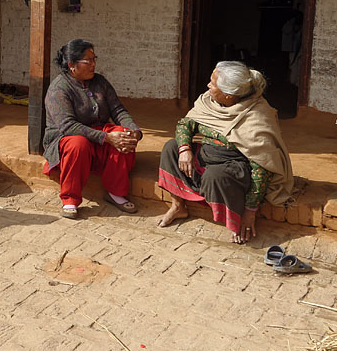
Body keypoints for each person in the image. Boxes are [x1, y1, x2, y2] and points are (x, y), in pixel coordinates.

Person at [156, 61, 294, 244]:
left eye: (213, 83)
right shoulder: (208, 101)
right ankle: (178, 206)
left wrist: (249, 213)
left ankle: (235, 219)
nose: (208, 86)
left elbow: (262, 167)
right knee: (171, 147)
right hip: (206, 157)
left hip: (234, 169)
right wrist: (185, 150)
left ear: (228, 96)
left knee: (215, 176)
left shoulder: (257, 115)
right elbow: (186, 124)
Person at [42, 39, 142, 219]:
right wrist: (106, 138)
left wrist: (133, 130)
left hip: (97, 132)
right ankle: (70, 199)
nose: (93, 64)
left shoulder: (100, 82)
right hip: (66, 138)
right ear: (72, 65)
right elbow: (68, 126)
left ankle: (115, 192)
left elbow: (117, 109)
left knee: (122, 134)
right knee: (78, 144)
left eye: (94, 59)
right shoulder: (59, 89)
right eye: (88, 61)